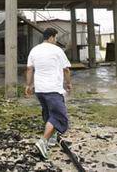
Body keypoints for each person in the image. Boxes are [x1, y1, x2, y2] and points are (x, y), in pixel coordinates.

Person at [25, 27, 72, 160]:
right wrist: (68, 84)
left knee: (48, 113)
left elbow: (29, 69)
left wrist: (28, 85)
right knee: (59, 116)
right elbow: (66, 70)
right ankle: (43, 141)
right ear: (51, 37)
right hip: (53, 89)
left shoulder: (34, 50)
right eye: (56, 38)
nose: (56, 41)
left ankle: (52, 138)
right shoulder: (57, 50)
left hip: (40, 90)